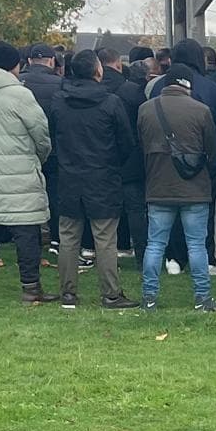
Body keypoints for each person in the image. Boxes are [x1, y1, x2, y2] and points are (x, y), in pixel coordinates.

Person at [0, 42, 59, 303]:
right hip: (19, 170)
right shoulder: (19, 94)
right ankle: (31, 286)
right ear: (14, 65)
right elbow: (41, 133)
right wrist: (39, 158)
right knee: (26, 232)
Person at [52, 50, 137, 310]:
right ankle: (111, 293)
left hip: (69, 176)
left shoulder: (59, 101)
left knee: (68, 237)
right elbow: (126, 142)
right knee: (105, 239)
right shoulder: (111, 102)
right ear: (97, 71)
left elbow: (53, 136)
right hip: (102, 177)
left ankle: (67, 292)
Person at [137, 64, 216, 311]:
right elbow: (212, 150)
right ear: (187, 84)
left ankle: (149, 297)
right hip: (194, 187)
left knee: (155, 244)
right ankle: (202, 298)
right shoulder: (202, 111)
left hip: (158, 184)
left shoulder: (145, 110)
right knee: (196, 245)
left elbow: (141, 144)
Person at [99, 46, 148, 256]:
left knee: (103, 209)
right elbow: (144, 122)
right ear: (118, 64)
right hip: (130, 156)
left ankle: (104, 248)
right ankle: (139, 249)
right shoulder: (131, 91)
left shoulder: (92, 90)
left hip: (98, 156)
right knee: (135, 207)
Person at [20, 43, 64, 250]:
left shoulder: (17, 83)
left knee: (25, 194)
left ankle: (28, 236)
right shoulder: (59, 84)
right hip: (53, 145)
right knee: (54, 192)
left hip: (22, 147)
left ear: (29, 61)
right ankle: (55, 235)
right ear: (52, 61)